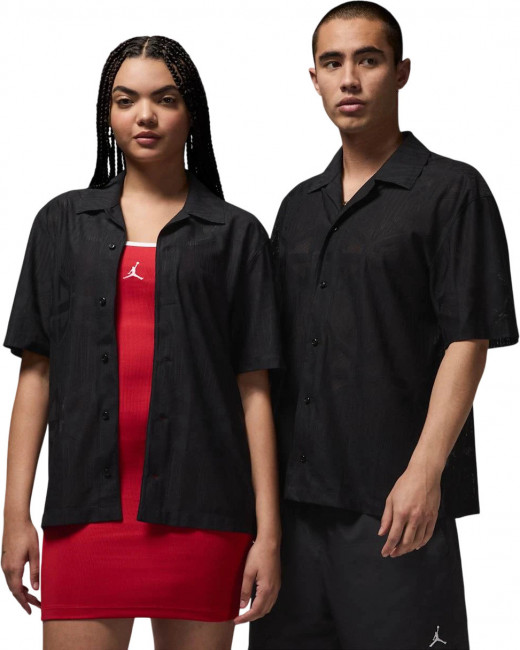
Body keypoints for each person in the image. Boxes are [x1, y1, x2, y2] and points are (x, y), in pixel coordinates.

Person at [248, 3, 518, 650]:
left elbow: (469, 339)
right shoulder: (297, 207)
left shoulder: (452, 191)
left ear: (400, 72)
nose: (349, 79)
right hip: (295, 512)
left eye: (367, 60)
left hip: (395, 509)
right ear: (314, 78)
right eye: (332, 63)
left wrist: (425, 472)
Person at [1, 35, 284, 650]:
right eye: (126, 100)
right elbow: (36, 374)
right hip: (83, 513)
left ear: (191, 113)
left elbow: (254, 390)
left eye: (166, 99)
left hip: (205, 515)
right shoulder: (61, 225)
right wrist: (14, 514)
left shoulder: (236, 234)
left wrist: (268, 534)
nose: (145, 115)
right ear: (107, 114)